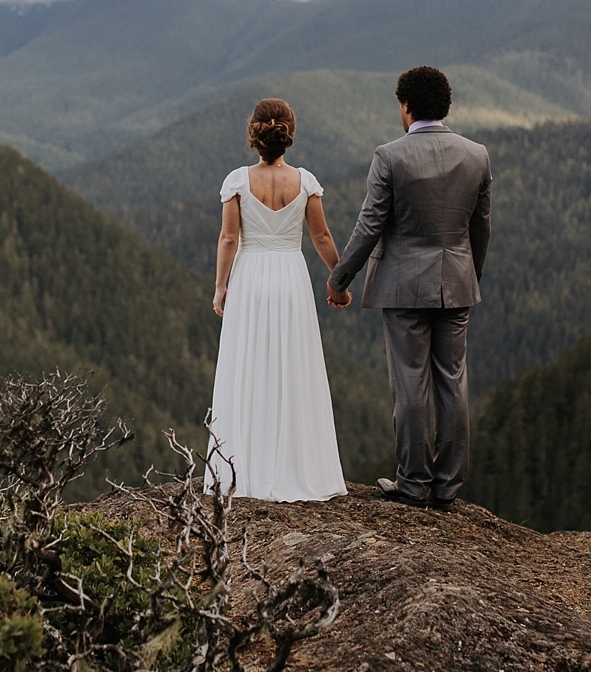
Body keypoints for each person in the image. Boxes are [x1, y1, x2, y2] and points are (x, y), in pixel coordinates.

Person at [327, 66, 492, 511]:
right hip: (457, 282)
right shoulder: (477, 155)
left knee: (410, 382)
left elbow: (370, 225)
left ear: (405, 106)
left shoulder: (390, 157)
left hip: (402, 288)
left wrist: (340, 276)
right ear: (446, 106)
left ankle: (414, 483)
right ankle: (448, 486)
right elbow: (480, 229)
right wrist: (468, 274)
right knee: (452, 382)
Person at [204, 98, 349, 501]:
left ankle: (243, 471)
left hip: (249, 278)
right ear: (288, 135)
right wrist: (339, 278)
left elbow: (229, 238)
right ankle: (297, 468)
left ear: (255, 135)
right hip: (291, 278)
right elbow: (321, 237)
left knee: (248, 366)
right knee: (292, 367)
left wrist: (220, 286)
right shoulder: (305, 182)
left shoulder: (236, 181)